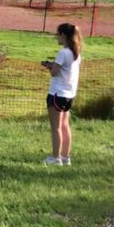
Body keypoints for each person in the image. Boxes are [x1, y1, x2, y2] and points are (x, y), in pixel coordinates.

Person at [41, 23, 83, 166]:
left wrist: (49, 67)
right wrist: (53, 64)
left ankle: (55, 157)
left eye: (58, 34)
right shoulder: (76, 54)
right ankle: (66, 157)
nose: (56, 37)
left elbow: (55, 73)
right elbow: (64, 69)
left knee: (56, 127)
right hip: (69, 95)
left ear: (64, 36)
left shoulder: (63, 53)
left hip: (57, 94)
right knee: (65, 126)